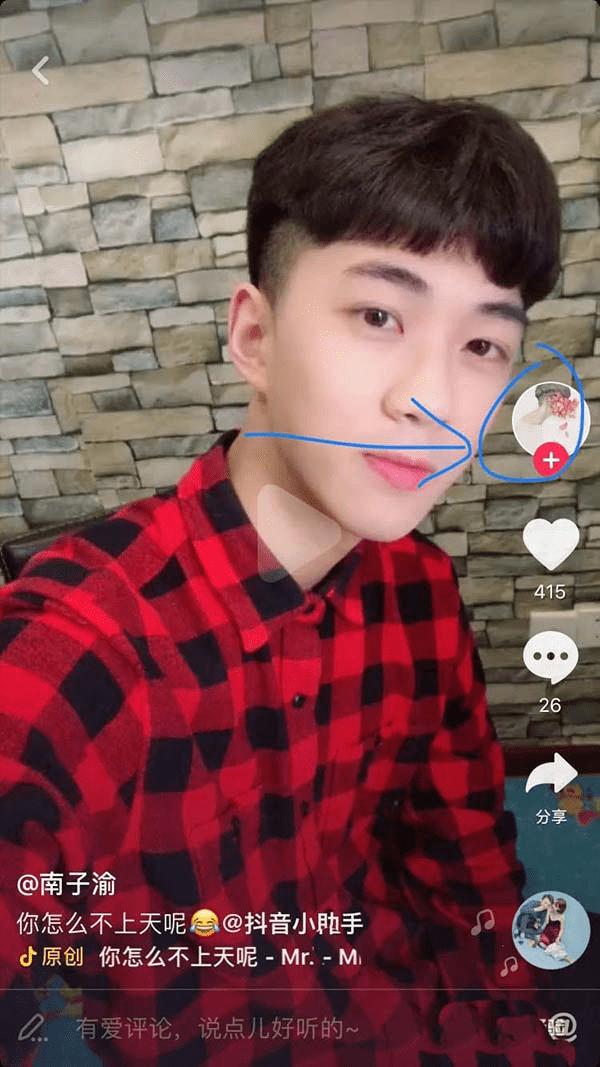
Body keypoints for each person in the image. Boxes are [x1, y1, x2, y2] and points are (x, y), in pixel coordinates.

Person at [0, 94, 576, 1067]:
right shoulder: (75, 656)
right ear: (254, 337)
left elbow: (468, 865)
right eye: (379, 314)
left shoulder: (420, 591)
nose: (434, 402)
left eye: (482, 344)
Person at [533, 899, 575, 965]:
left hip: (555, 935)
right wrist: (548, 911)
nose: (553, 905)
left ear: (559, 909)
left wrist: (558, 937)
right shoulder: (550, 910)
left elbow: (562, 929)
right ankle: (541, 943)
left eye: (555, 905)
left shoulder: (561, 916)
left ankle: (568, 959)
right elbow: (547, 922)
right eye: (554, 903)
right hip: (546, 933)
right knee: (542, 944)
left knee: (556, 949)